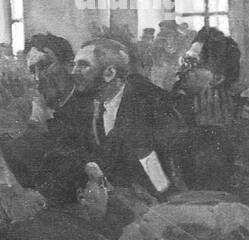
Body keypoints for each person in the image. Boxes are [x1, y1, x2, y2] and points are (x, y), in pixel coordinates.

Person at [60, 37, 182, 194]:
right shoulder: (81, 107)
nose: (73, 72)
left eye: (83, 65)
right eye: (74, 65)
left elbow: (159, 179)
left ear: (110, 73)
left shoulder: (149, 107)